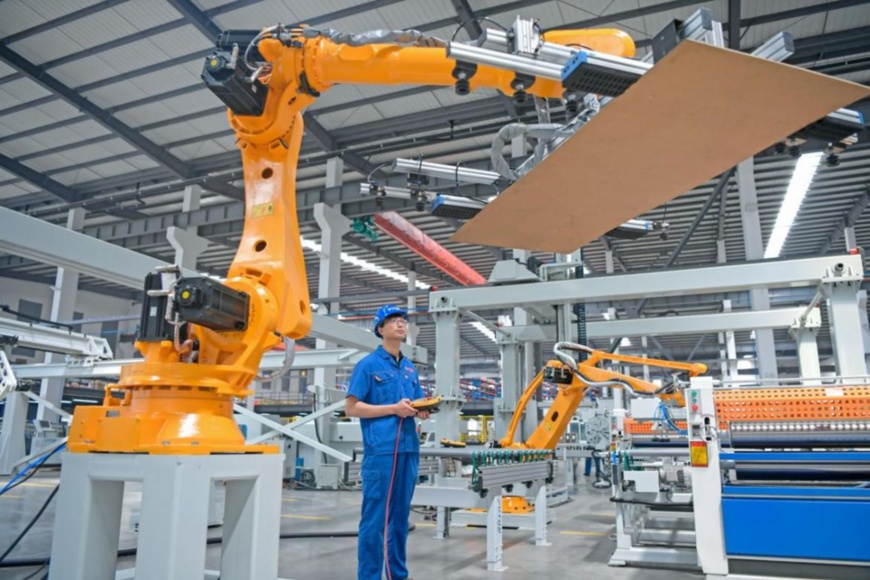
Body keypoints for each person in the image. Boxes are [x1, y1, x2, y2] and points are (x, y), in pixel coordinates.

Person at [346, 304, 430, 580]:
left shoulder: (408, 369)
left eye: (403, 320)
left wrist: (423, 409)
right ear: (380, 329)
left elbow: (414, 404)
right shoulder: (368, 366)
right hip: (381, 452)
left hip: (408, 449)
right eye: (393, 321)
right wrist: (393, 409)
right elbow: (352, 408)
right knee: (374, 522)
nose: (400, 324)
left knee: (399, 521)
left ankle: (398, 575)